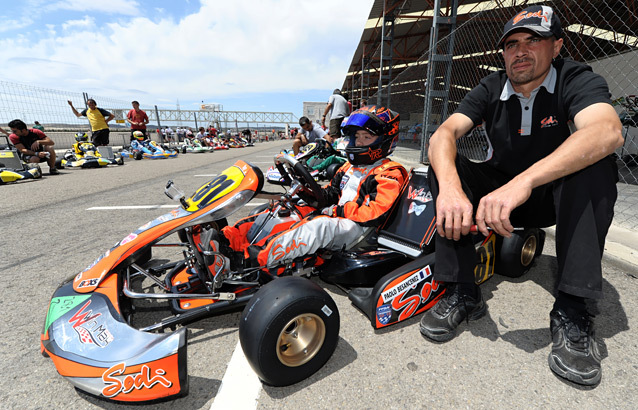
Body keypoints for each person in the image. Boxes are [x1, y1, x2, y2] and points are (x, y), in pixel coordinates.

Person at [419, 5, 624, 387]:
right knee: (446, 166)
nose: (521, 51)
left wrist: (524, 182)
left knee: (595, 164)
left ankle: (572, 310)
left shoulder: (576, 78)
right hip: (498, 193)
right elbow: (443, 134)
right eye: (512, 44)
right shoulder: (492, 86)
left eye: (534, 40)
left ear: (557, 46)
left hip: (551, 196)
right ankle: (463, 290)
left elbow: (607, 131)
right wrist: (450, 188)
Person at [216, 105, 407, 270]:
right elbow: (331, 193)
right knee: (285, 209)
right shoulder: (349, 167)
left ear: (385, 139)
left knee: (319, 226)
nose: (359, 142)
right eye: (357, 136)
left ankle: (249, 261)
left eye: (367, 137)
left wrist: (337, 210)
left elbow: (377, 212)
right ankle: (226, 241)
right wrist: (310, 192)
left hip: (361, 230)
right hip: (338, 216)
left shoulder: (390, 172)